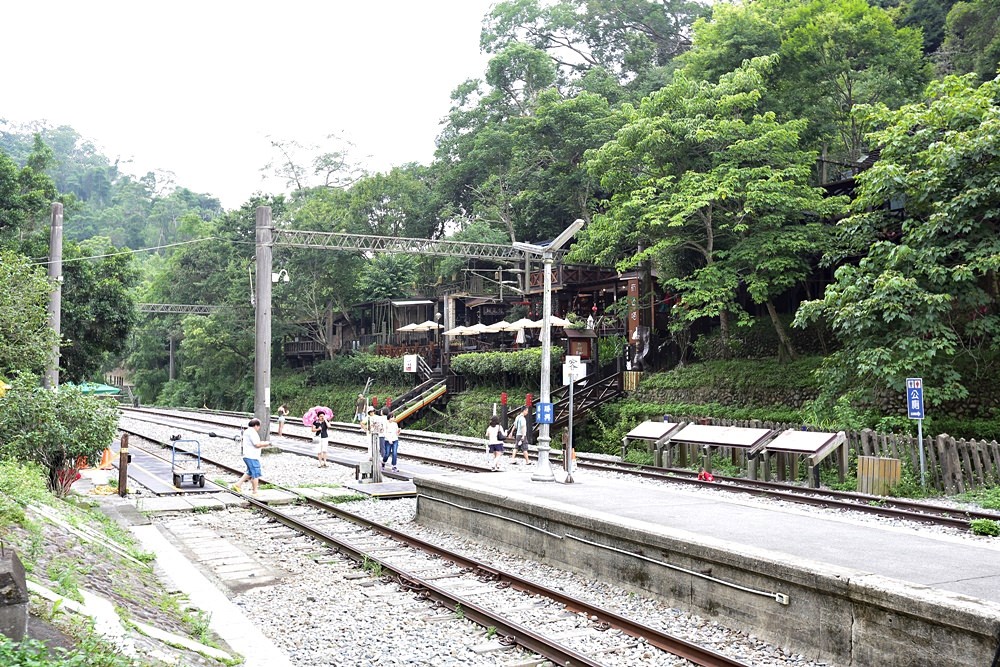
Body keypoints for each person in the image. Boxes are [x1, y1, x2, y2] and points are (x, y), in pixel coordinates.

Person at [233, 418, 269, 495]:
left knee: (249, 472)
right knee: (256, 474)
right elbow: (257, 444)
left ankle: (237, 485)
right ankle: (255, 491)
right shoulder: (252, 432)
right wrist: (266, 444)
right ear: (256, 425)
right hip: (252, 456)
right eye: (259, 426)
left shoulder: (247, 431)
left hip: (247, 455)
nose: (259, 428)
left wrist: (262, 443)